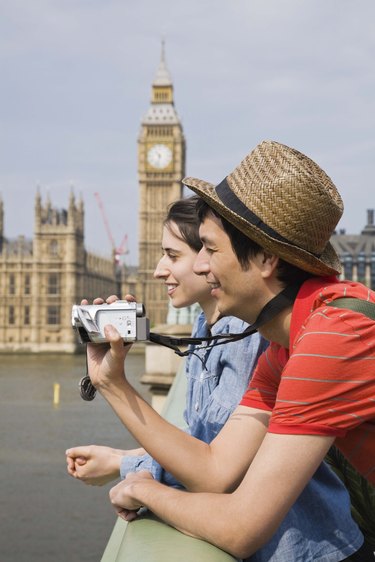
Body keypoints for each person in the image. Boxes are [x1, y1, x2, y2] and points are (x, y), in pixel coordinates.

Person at [69, 161, 372, 561]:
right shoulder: (284, 348)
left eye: (210, 248)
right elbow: (215, 470)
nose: (198, 265)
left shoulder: (329, 339)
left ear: (265, 258)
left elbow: (242, 528)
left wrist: (142, 487)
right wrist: (111, 382)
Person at [66, 196, 267, 489]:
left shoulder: (243, 332)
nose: (158, 270)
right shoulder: (204, 326)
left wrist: (124, 467)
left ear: (209, 256)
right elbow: (201, 439)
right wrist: (119, 455)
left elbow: (214, 470)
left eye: (173, 256)